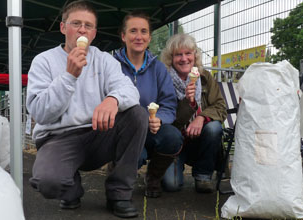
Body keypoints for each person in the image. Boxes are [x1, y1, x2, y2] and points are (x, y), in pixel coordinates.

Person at [26, 1, 147, 218]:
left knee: (137, 114)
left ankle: (119, 194)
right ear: (63, 28)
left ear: (93, 33)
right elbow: (40, 113)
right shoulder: (43, 61)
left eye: (88, 26)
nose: (82, 29)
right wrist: (69, 76)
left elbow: (130, 90)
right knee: (48, 183)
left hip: (97, 133)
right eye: (76, 23)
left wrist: (113, 99)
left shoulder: (104, 60)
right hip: (57, 138)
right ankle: (70, 186)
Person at [113, 11, 183, 198]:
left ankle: (153, 176)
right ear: (123, 36)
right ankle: (117, 175)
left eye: (144, 31)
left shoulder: (159, 68)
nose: (138, 36)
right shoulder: (111, 65)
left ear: (149, 37)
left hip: (152, 129)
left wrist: (159, 118)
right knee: (137, 156)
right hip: (123, 129)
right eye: (133, 31)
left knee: (173, 137)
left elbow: (169, 103)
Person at [160, 33, 227, 193]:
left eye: (188, 53)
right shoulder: (163, 79)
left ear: (194, 55)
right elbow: (168, 120)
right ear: (171, 58)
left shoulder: (205, 77)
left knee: (214, 128)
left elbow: (220, 106)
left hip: (201, 140)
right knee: (171, 185)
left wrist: (201, 118)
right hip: (176, 141)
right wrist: (188, 103)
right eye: (178, 55)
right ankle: (160, 169)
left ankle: (203, 176)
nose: (184, 59)